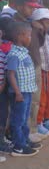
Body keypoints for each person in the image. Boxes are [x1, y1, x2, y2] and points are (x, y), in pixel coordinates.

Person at [7, 22, 41, 156]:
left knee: (24, 119)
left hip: (26, 91)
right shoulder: (14, 54)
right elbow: (11, 74)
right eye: (29, 36)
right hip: (20, 93)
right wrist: (17, 92)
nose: (30, 38)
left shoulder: (23, 52)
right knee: (18, 119)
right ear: (21, 36)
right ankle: (18, 147)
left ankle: (24, 140)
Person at [0, 18, 12, 156]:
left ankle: (2, 140)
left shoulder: (4, 51)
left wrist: (3, 84)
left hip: (3, 89)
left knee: (3, 115)